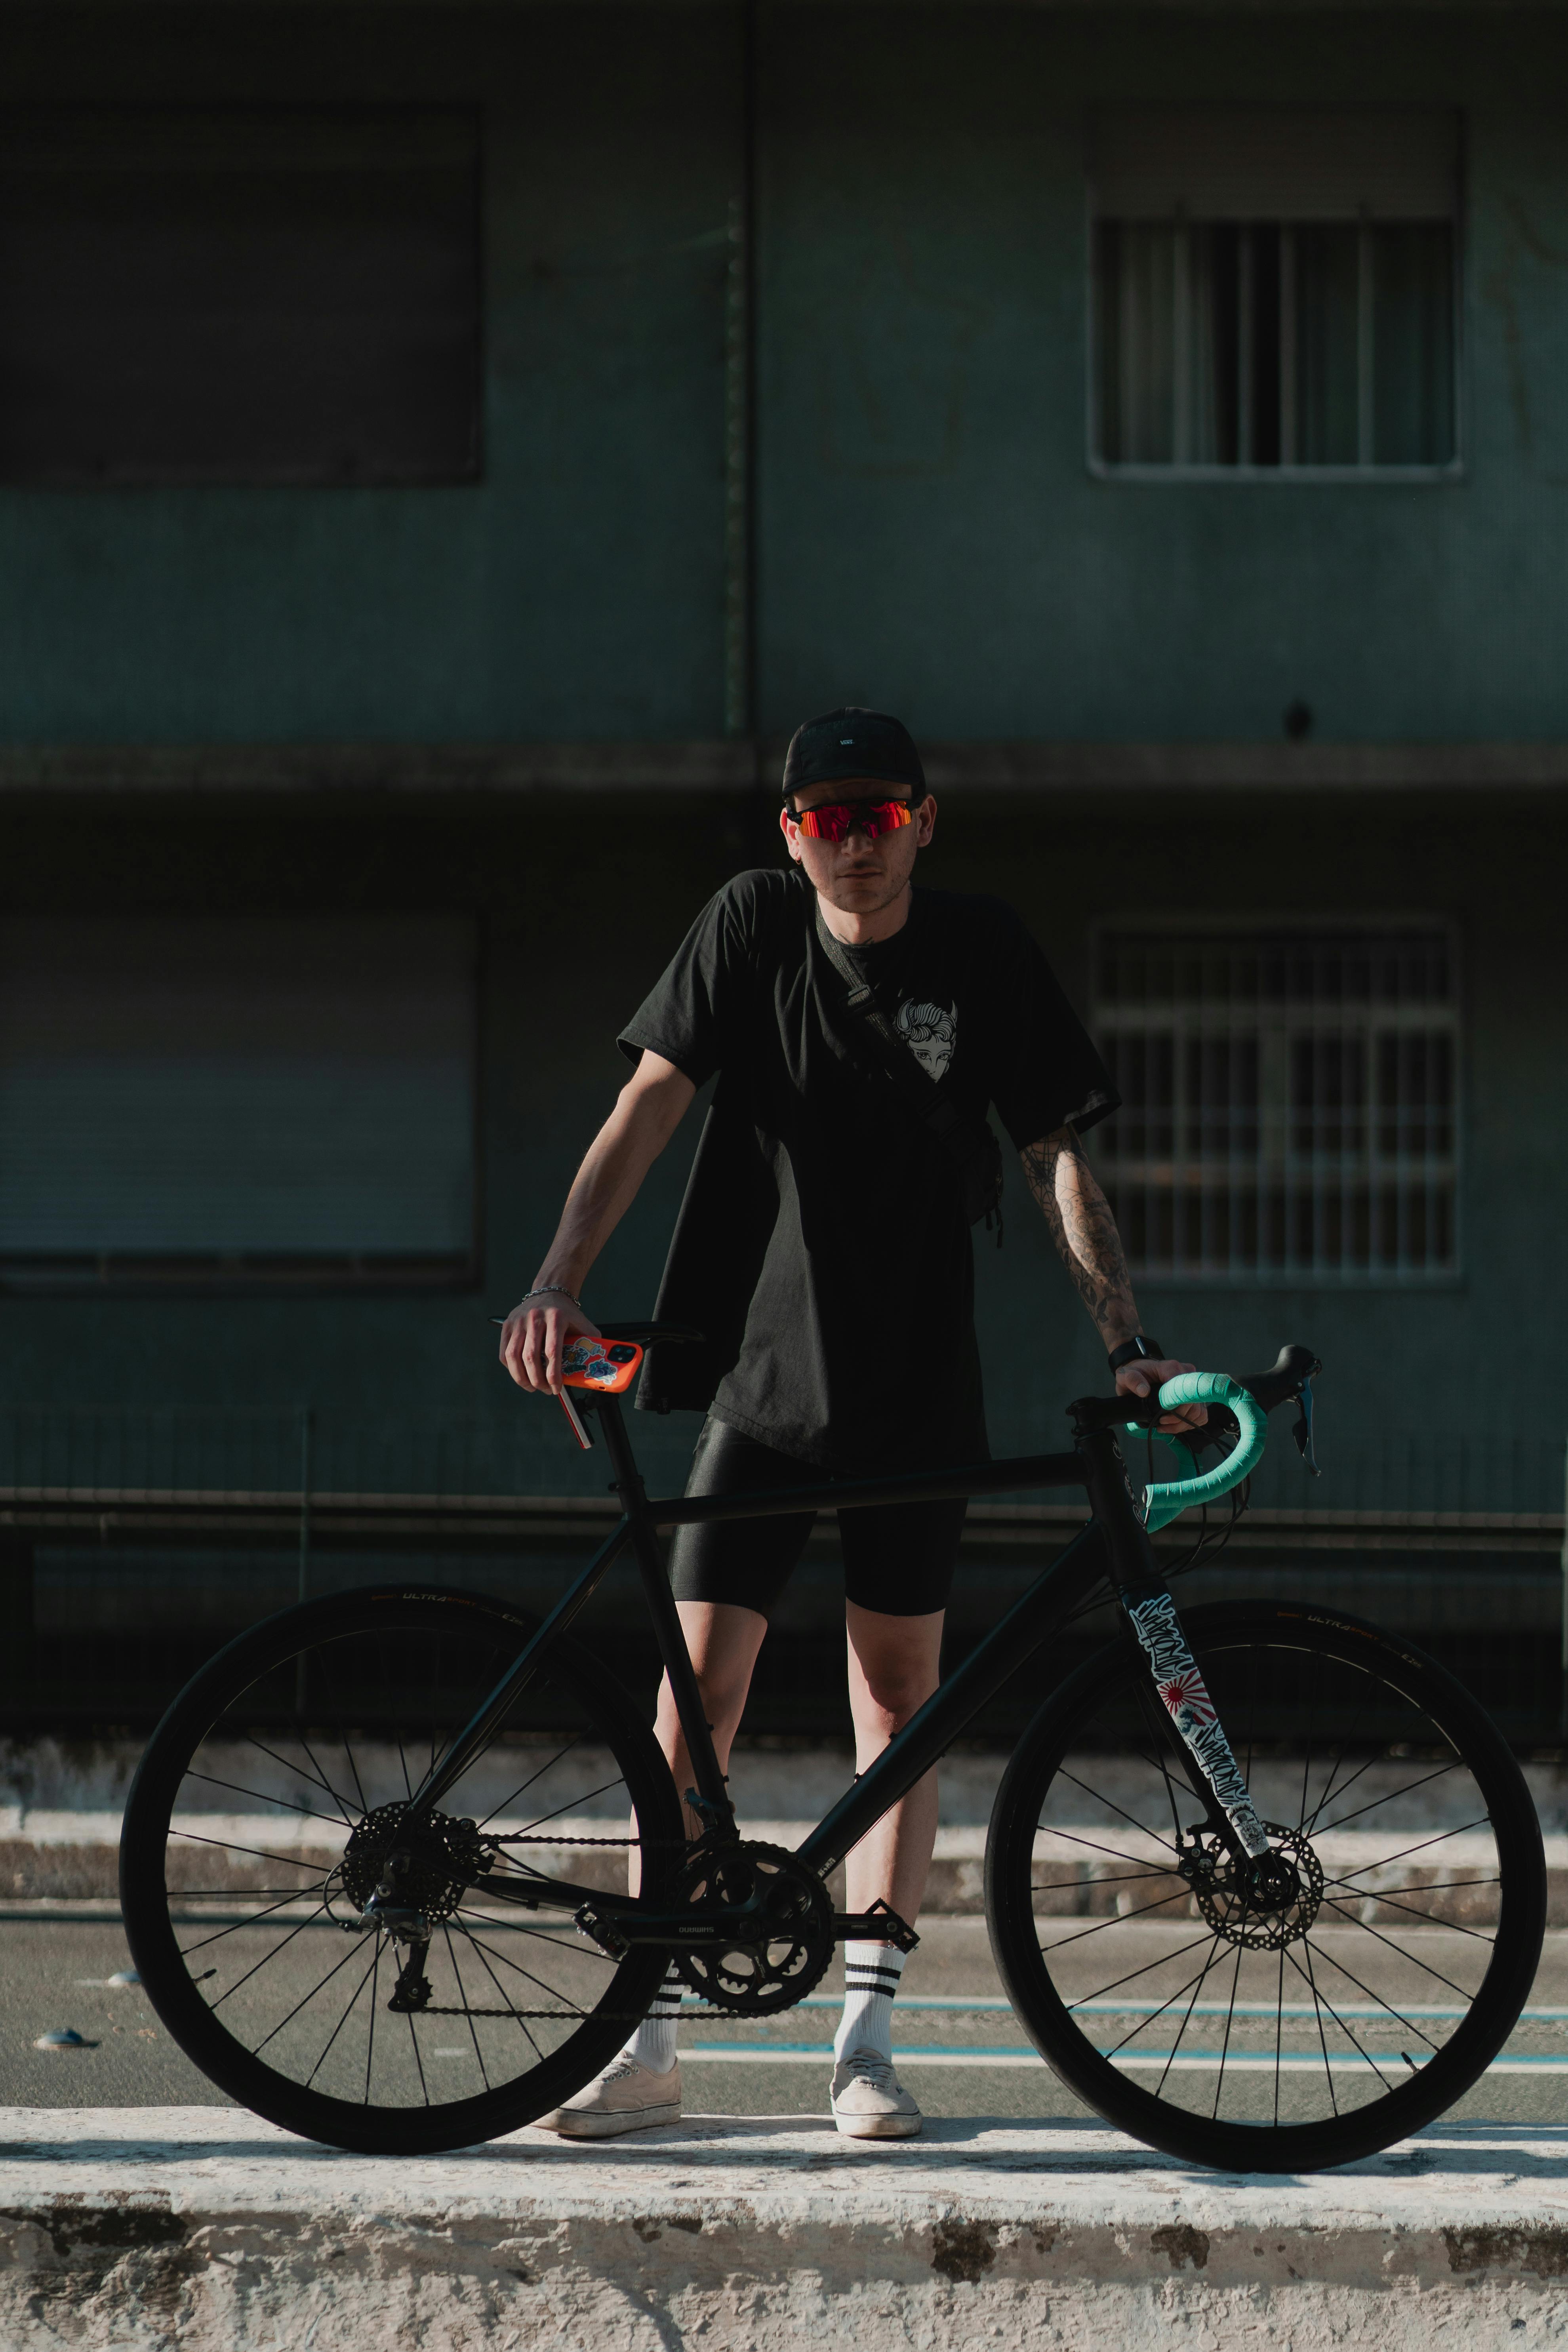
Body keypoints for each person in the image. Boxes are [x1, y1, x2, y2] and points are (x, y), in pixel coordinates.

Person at [498, 706, 1200, 2142]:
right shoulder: (753, 928)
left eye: (882, 812)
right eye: (828, 815)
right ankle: (651, 2030)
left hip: (916, 1387)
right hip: (762, 1375)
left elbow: (1057, 1154)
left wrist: (1128, 1340)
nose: (856, 839)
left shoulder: (982, 951)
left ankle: (866, 2041)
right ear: (791, 832)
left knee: (899, 1709)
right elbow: (647, 1105)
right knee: (691, 1704)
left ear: (925, 822)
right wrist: (556, 1277)